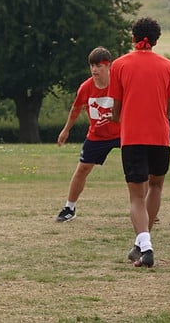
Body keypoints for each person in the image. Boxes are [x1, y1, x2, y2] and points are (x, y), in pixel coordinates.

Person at [108, 17, 170, 268]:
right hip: (160, 137)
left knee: (136, 195)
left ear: (133, 37)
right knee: (156, 187)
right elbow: (169, 109)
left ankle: (145, 246)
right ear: (156, 40)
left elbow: (116, 111)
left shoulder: (120, 65)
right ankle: (140, 244)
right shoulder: (169, 66)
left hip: (134, 137)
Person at [55, 47, 121, 222]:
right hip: (97, 135)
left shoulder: (119, 83)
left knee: (137, 167)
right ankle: (69, 208)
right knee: (82, 169)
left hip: (122, 133)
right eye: (92, 65)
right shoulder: (86, 87)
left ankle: (147, 207)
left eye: (99, 66)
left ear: (109, 66)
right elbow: (76, 108)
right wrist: (66, 130)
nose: (94, 70)